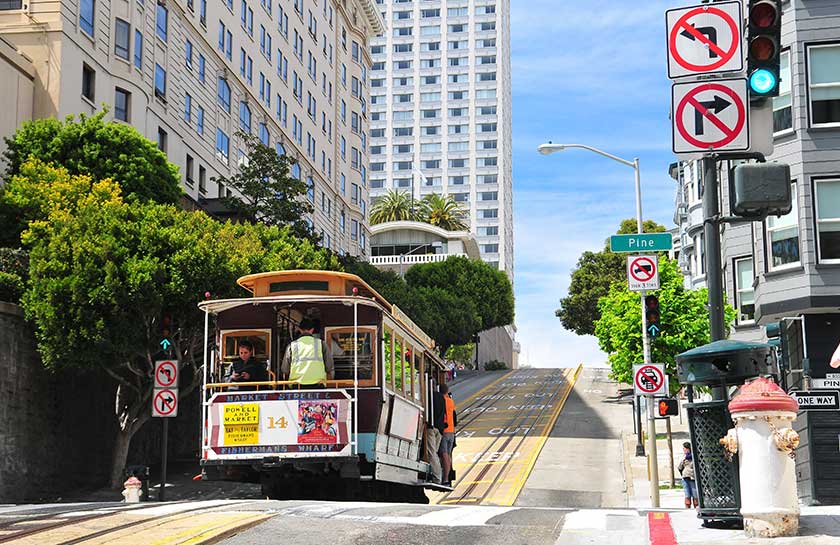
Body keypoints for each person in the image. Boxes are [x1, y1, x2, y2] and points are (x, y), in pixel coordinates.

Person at [281, 318, 334, 387]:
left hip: (297, 385)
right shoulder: (321, 344)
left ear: (299, 329)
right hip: (318, 384)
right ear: (312, 330)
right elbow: (329, 366)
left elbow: (285, 369)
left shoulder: (292, 345)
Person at [425, 382, 446, 484]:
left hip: (432, 428)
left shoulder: (428, 396)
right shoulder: (441, 397)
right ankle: (434, 475)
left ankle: (437, 478)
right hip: (440, 429)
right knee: (435, 454)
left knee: (432, 453)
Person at [438, 383, 458, 487]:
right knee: (448, 455)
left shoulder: (443, 401)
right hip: (452, 431)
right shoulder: (451, 401)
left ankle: (445, 479)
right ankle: (448, 477)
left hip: (445, 431)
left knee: (444, 454)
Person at [678, 441, 699, 509]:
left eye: (684, 448)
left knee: (695, 493)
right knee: (687, 493)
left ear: (688, 449)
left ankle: (696, 506)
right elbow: (680, 467)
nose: (684, 450)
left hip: (693, 477)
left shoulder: (694, 457)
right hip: (685, 477)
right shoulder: (684, 457)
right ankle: (687, 506)